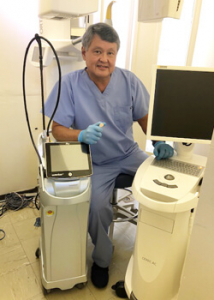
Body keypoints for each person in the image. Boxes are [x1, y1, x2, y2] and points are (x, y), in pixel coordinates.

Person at [44, 22, 174, 288]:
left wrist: (160, 141)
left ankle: (160, 253)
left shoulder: (129, 81)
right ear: (84, 53)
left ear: (116, 55)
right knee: (96, 207)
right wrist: (80, 135)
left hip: (128, 154)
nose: (104, 59)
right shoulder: (69, 84)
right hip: (96, 162)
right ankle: (102, 259)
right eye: (97, 51)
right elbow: (57, 130)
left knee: (168, 181)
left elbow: (144, 118)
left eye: (110, 52)